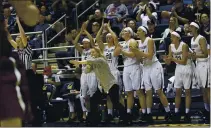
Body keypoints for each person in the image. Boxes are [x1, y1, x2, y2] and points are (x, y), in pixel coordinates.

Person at [70, 47, 127, 126]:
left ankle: (126, 119)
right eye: (91, 53)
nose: (92, 54)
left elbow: (91, 61)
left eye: (93, 52)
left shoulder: (101, 59)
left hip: (111, 85)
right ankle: (94, 120)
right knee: (93, 100)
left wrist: (78, 62)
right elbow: (86, 71)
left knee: (116, 103)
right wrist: (89, 66)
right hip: (103, 87)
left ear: (98, 52)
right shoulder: (93, 63)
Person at [131, 26, 172, 123]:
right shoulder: (138, 43)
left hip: (154, 66)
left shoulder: (149, 40)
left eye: (139, 30)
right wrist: (135, 54)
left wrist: (138, 52)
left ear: (144, 32)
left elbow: (149, 55)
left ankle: (169, 113)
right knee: (147, 92)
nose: (137, 31)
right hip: (145, 67)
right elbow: (141, 59)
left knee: (158, 91)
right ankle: (148, 114)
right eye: (137, 30)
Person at [0, 17, 31, 126]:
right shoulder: (18, 49)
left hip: (29, 75)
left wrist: (18, 22)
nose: (17, 37)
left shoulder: (27, 49)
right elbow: (8, 38)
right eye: (16, 37)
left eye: (19, 37)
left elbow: (23, 36)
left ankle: (29, 119)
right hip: (21, 77)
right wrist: (5, 28)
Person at [95, 21, 124, 122]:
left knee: (117, 96)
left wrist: (109, 29)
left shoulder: (116, 47)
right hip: (105, 74)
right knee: (108, 96)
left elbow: (116, 38)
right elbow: (97, 39)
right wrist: (102, 29)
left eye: (109, 37)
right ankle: (110, 114)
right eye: (107, 37)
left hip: (113, 72)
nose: (108, 38)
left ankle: (122, 114)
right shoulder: (104, 48)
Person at [163, 31, 193, 122]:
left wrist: (171, 58)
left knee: (187, 91)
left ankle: (187, 113)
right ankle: (176, 113)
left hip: (187, 67)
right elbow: (169, 62)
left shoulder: (184, 45)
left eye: (173, 37)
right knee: (177, 91)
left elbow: (184, 61)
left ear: (178, 38)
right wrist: (166, 59)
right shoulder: (170, 46)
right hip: (178, 68)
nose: (171, 38)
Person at [72, 22, 98, 121]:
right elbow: (75, 43)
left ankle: (92, 112)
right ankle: (84, 113)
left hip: (92, 73)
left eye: (86, 43)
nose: (85, 44)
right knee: (83, 95)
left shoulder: (93, 50)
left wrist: (85, 31)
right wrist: (80, 32)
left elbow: (92, 40)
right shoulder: (82, 51)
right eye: (83, 43)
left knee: (92, 94)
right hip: (84, 74)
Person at [119, 27, 144, 124]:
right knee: (129, 92)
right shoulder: (124, 43)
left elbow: (133, 55)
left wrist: (122, 51)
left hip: (134, 66)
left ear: (129, 33)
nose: (123, 32)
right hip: (126, 67)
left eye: (125, 31)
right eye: (123, 31)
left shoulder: (132, 41)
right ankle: (128, 113)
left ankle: (144, 113)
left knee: (138, 91)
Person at [189, 21, 210, 119]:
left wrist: (195, 55)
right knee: (203, 90)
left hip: (205, 64)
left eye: (191, 27)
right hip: (198, 64)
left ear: (196, 28)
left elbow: (205, 54)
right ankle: (207, 110)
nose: (189, 28)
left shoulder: (201, 38)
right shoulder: (192, 39)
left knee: (208, 89)